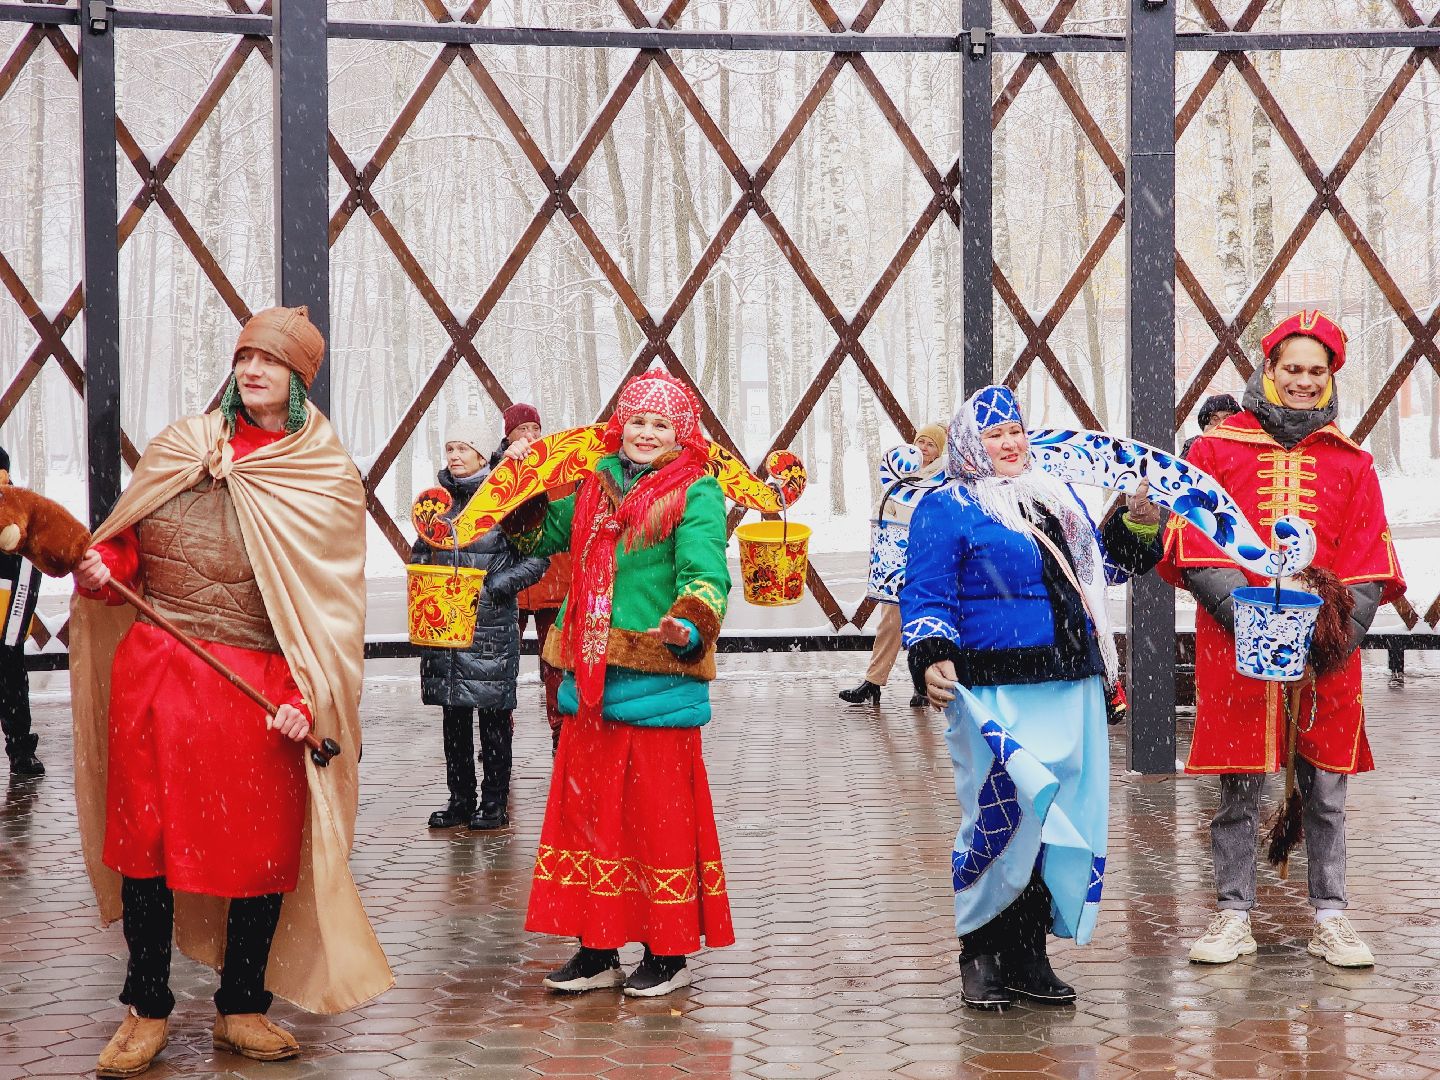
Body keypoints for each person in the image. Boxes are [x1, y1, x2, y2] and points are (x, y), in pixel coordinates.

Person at [69, 306, 391, 1077]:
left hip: (258, 688)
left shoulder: (321, 474)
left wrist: (306, 698)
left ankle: (242, 1005)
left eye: (271, 362)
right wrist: (101, 571)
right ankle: (146, 1008)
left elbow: (327, 610)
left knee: (258, 851)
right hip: (156, 678)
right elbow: (127, 550)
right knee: (145, 848)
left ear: (299, 379)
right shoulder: (184, 447)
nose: (253, 371)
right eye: (246, 357)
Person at [901, 385, 1162, 1011]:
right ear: (970, 444)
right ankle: (981, 952)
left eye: (1016, 430)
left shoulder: (1055, 496)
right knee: (1000, 816)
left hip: (1071, 681)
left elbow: (1103, 570)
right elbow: (927, 591)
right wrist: (930, 653)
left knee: (1058, 817)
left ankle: (1027, 955)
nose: (1010, 443)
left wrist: (1137, 521)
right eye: (994, 435)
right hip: (993, 689)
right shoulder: (946, 507)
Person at [1159, 310, 1404, 969]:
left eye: (1315, 371)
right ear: (1268, 370)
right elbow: (1195, 546)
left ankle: (1331, 917)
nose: (1303, 381)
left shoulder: (1353, 463)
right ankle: (1233, 915)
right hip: (1236, 649)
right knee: (1239, 786)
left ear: (1330, 378)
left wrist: (1332, 638)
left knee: (1325, 789)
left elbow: (1368, 563)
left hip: (1328, 659)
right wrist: (1250, 620)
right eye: (1292, 368)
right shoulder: (1214, 452)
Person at [505, 369, 733, 999]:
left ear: (681, 434)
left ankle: (668, 951)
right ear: (620, 426)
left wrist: (688, 622)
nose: (646, 432)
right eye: (637, 420)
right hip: (590, 680)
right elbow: (538, 533)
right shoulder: (594, 485)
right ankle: (598, 946)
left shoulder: (696, 491)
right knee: (591, 818)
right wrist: (521, 482)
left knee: (658, 822)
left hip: (657, 679)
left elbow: (706, 571)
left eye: (661, 423)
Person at [415, 416, 547, 831]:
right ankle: (459, 800)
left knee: (493, 720)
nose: (454, 456)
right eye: (449, 448)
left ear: (480, 454)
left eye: (463, 448)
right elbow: (421, 552)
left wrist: (493, 588)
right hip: (446, 630)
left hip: (490, 630)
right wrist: (425, 581)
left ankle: (493, 803)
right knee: (453, 721)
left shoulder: (503, 500)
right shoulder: (436, 506)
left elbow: (537, 558)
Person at [839, 423, 948, 708]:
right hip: (898, 564)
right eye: (921, 442)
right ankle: (873, 682)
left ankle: (923, 685)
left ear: (940, 451)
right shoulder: (900, 478)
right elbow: (884, 510)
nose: (924, 449)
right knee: (890, 623)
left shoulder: (944, 482)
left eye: (931, 444)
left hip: (930, 565)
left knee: (927, 624)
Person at [496, 403, 573, 754]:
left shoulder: (558, 463)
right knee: (502, 660)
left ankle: (561, 732)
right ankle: (500, 729)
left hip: (553, 577)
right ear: (508, 434)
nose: (530, 436)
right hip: (511, 580)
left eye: (535, 429)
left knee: (555, 659)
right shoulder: (500, 469)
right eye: (522, 429)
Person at [0, 445, 43, 777]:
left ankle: (20, 750)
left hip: (7, 618)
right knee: (12, 680)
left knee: (12, 679)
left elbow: (32, 563)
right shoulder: (20, 506)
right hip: (8, 619)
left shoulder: (18, 509)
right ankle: (20, 751)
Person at [1180, 393, 1241, 460]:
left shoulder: (1245, 443)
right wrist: (1206, 441)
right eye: (1215, 419)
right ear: (1208, 422)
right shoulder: (1194, 444)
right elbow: (1184, 465)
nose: (1221, 423)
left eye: (1226, 417)